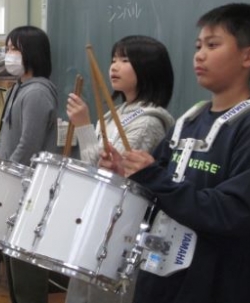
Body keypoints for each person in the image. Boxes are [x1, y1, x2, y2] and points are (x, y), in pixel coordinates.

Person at [103, 3, 250, 303]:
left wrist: (153, 176)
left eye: (212, 45)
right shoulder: (189, 120)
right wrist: (129, 175)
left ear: (249, 56)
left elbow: (231, 212)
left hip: (217, 285)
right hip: (161, 279)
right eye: (198, 46)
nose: (199, 55)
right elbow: (156, 189)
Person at [64, 35, 174, 303]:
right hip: (101, 218)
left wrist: (83, 125)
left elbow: (116, 180)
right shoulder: (119, 112)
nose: (114, 66)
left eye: (125, 60)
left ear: (148, 68)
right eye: (113, 59)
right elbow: (96, 167)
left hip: (121, 228)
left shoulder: (149, 121)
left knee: (103, 294)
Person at [0, 26, 58, 303]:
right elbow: (4, 135)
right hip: (14, 183)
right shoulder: (17, 88)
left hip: (30, 188)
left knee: (26, 263)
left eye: (14, 49)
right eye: (7, 48)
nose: (8, 55)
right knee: (12, 258)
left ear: (32, 53)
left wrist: (6, 176)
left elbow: (28, 145)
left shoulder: (37, 93)